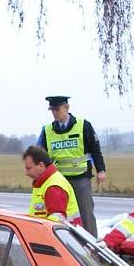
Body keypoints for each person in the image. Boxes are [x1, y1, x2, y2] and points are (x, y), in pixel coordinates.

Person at [37, 95, 106, 237]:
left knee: (85, 212)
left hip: (80, 178)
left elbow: (95, 149)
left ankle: (92, 246)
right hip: (58, 180)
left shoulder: (83, 125)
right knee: (58, 214)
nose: (55, 113)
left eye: (57, 109)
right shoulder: (47, 130)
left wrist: (101, 170)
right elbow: (41, 155)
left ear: (66, 108)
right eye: (52, 110)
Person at [22, 145, 82, 226]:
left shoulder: (54, 187)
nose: (26, 173)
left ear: (41, 165)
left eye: (29, 168)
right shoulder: (44, 183)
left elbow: (55, 223)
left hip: (63, 237)